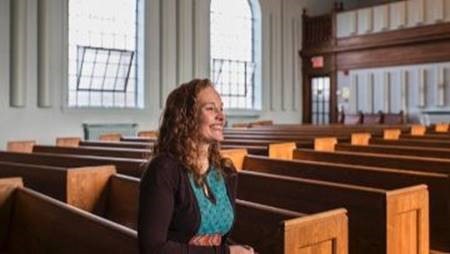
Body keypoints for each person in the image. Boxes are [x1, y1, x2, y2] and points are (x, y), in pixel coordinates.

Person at [138, 79, 254, 254]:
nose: (221, 116)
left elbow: (219, 239)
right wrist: (227, 253)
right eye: (210, 108)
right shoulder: (163, 170)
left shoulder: (226, 171)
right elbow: (153, 249)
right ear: (186, 117)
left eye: (221, 108)